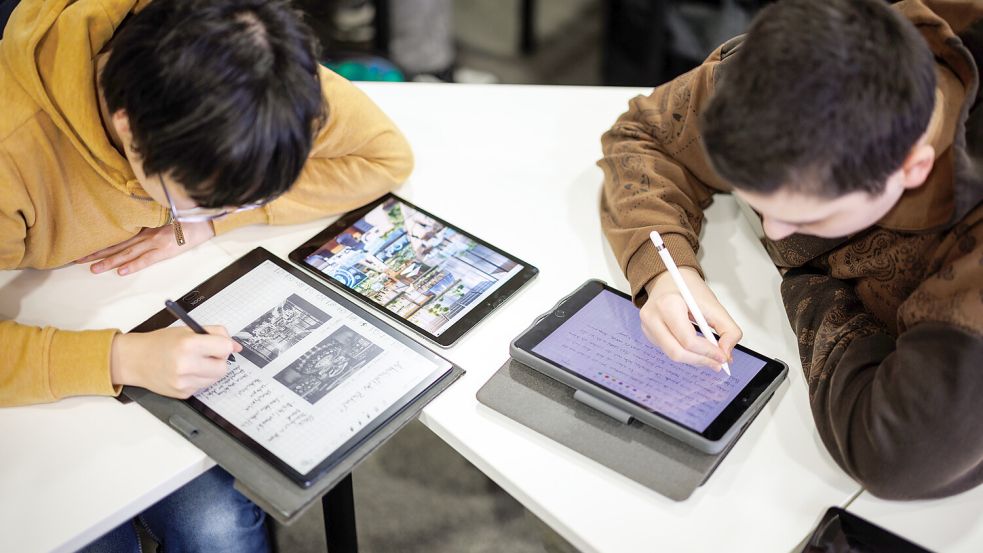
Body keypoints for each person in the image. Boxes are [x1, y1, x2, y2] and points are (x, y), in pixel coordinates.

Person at [1, 0, 412, 549]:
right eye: (201, 202)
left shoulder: (252, 67)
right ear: (130, 131)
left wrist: (213, 223)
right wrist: (120, 357)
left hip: (121, 316)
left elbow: (383, 157)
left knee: (216, 530)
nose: (204, 216)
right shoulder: (13, 149)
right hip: (45, 381)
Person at [599, 0, 983, 500]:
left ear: (911, 167)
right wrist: (667, 272)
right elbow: (642, 134)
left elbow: (895, 452)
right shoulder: (800, 62)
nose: (777, 235)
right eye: (758, 200)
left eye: (808, 218)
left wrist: (808, 274)